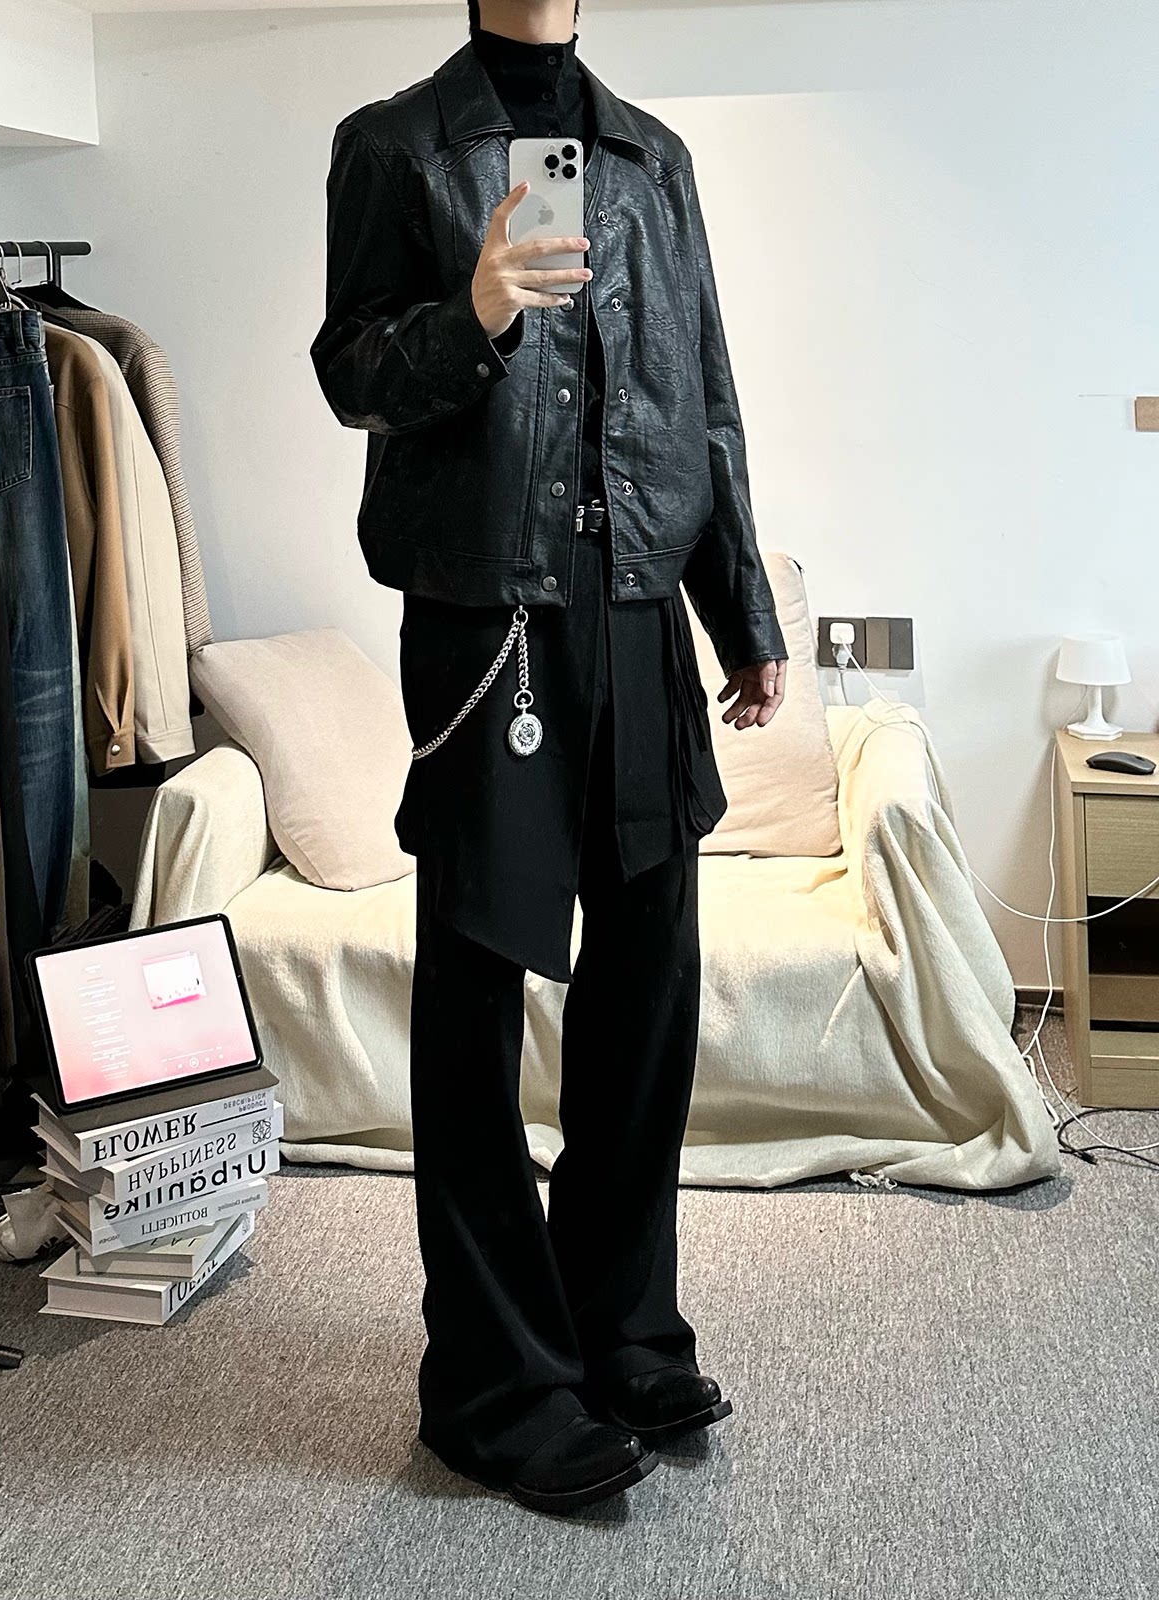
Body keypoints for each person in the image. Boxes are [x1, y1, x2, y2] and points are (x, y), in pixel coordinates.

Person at [312, 0, 787, 1515]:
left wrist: (742, 610)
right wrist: (475, 313)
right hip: (487, 622)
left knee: (646, 994)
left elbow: (704, 394)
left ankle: (621, 1331)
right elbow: (351, 374)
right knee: (473, 1004)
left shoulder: (651, 159)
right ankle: (495, 1383)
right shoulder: (394, 146)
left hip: (640, 609)